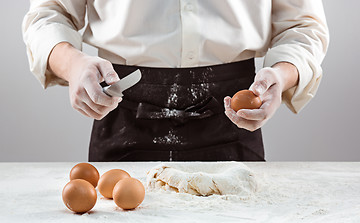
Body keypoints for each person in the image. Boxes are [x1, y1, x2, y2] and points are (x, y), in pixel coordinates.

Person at [22, 0, 329, 161]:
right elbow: (49, 14)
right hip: (123, 109)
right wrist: (73, 64)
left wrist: (282, 73)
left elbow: (303, 26)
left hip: (232, 117)